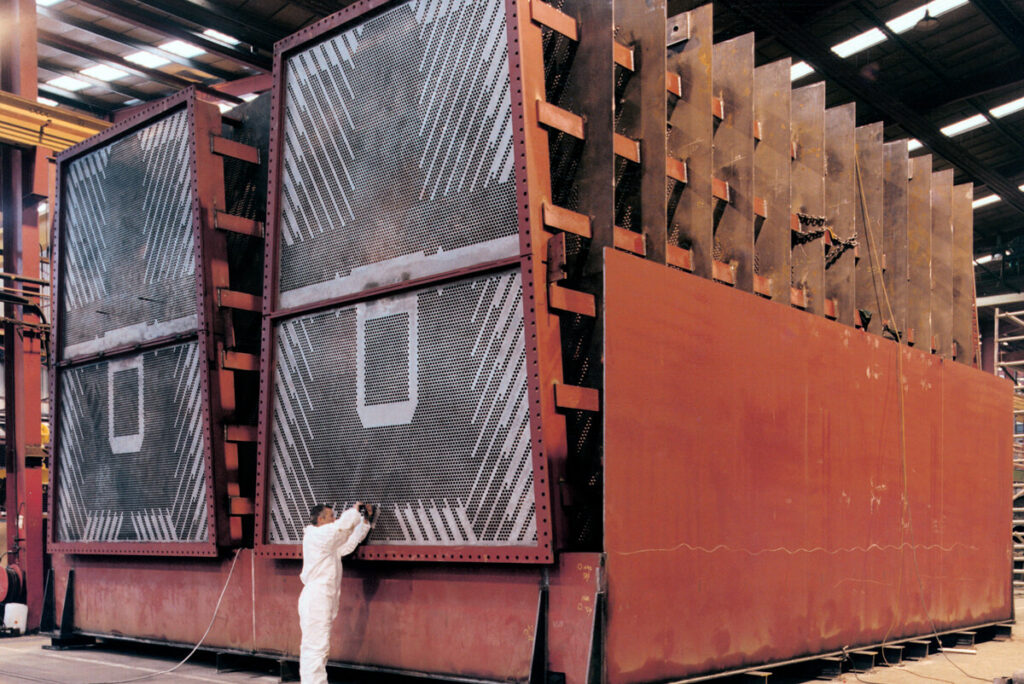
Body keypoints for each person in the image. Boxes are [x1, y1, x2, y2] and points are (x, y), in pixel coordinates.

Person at [298, 502, 373, 684]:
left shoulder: (327, 545)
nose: (334, 519)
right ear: (320, 519)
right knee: (316, 648)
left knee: (317, 647)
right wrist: (355, 511)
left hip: (320, 598)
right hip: (316, 598)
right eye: (331, 516)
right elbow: (341, 528)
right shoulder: (316, 535)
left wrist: (364, 522)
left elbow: (348, 543)